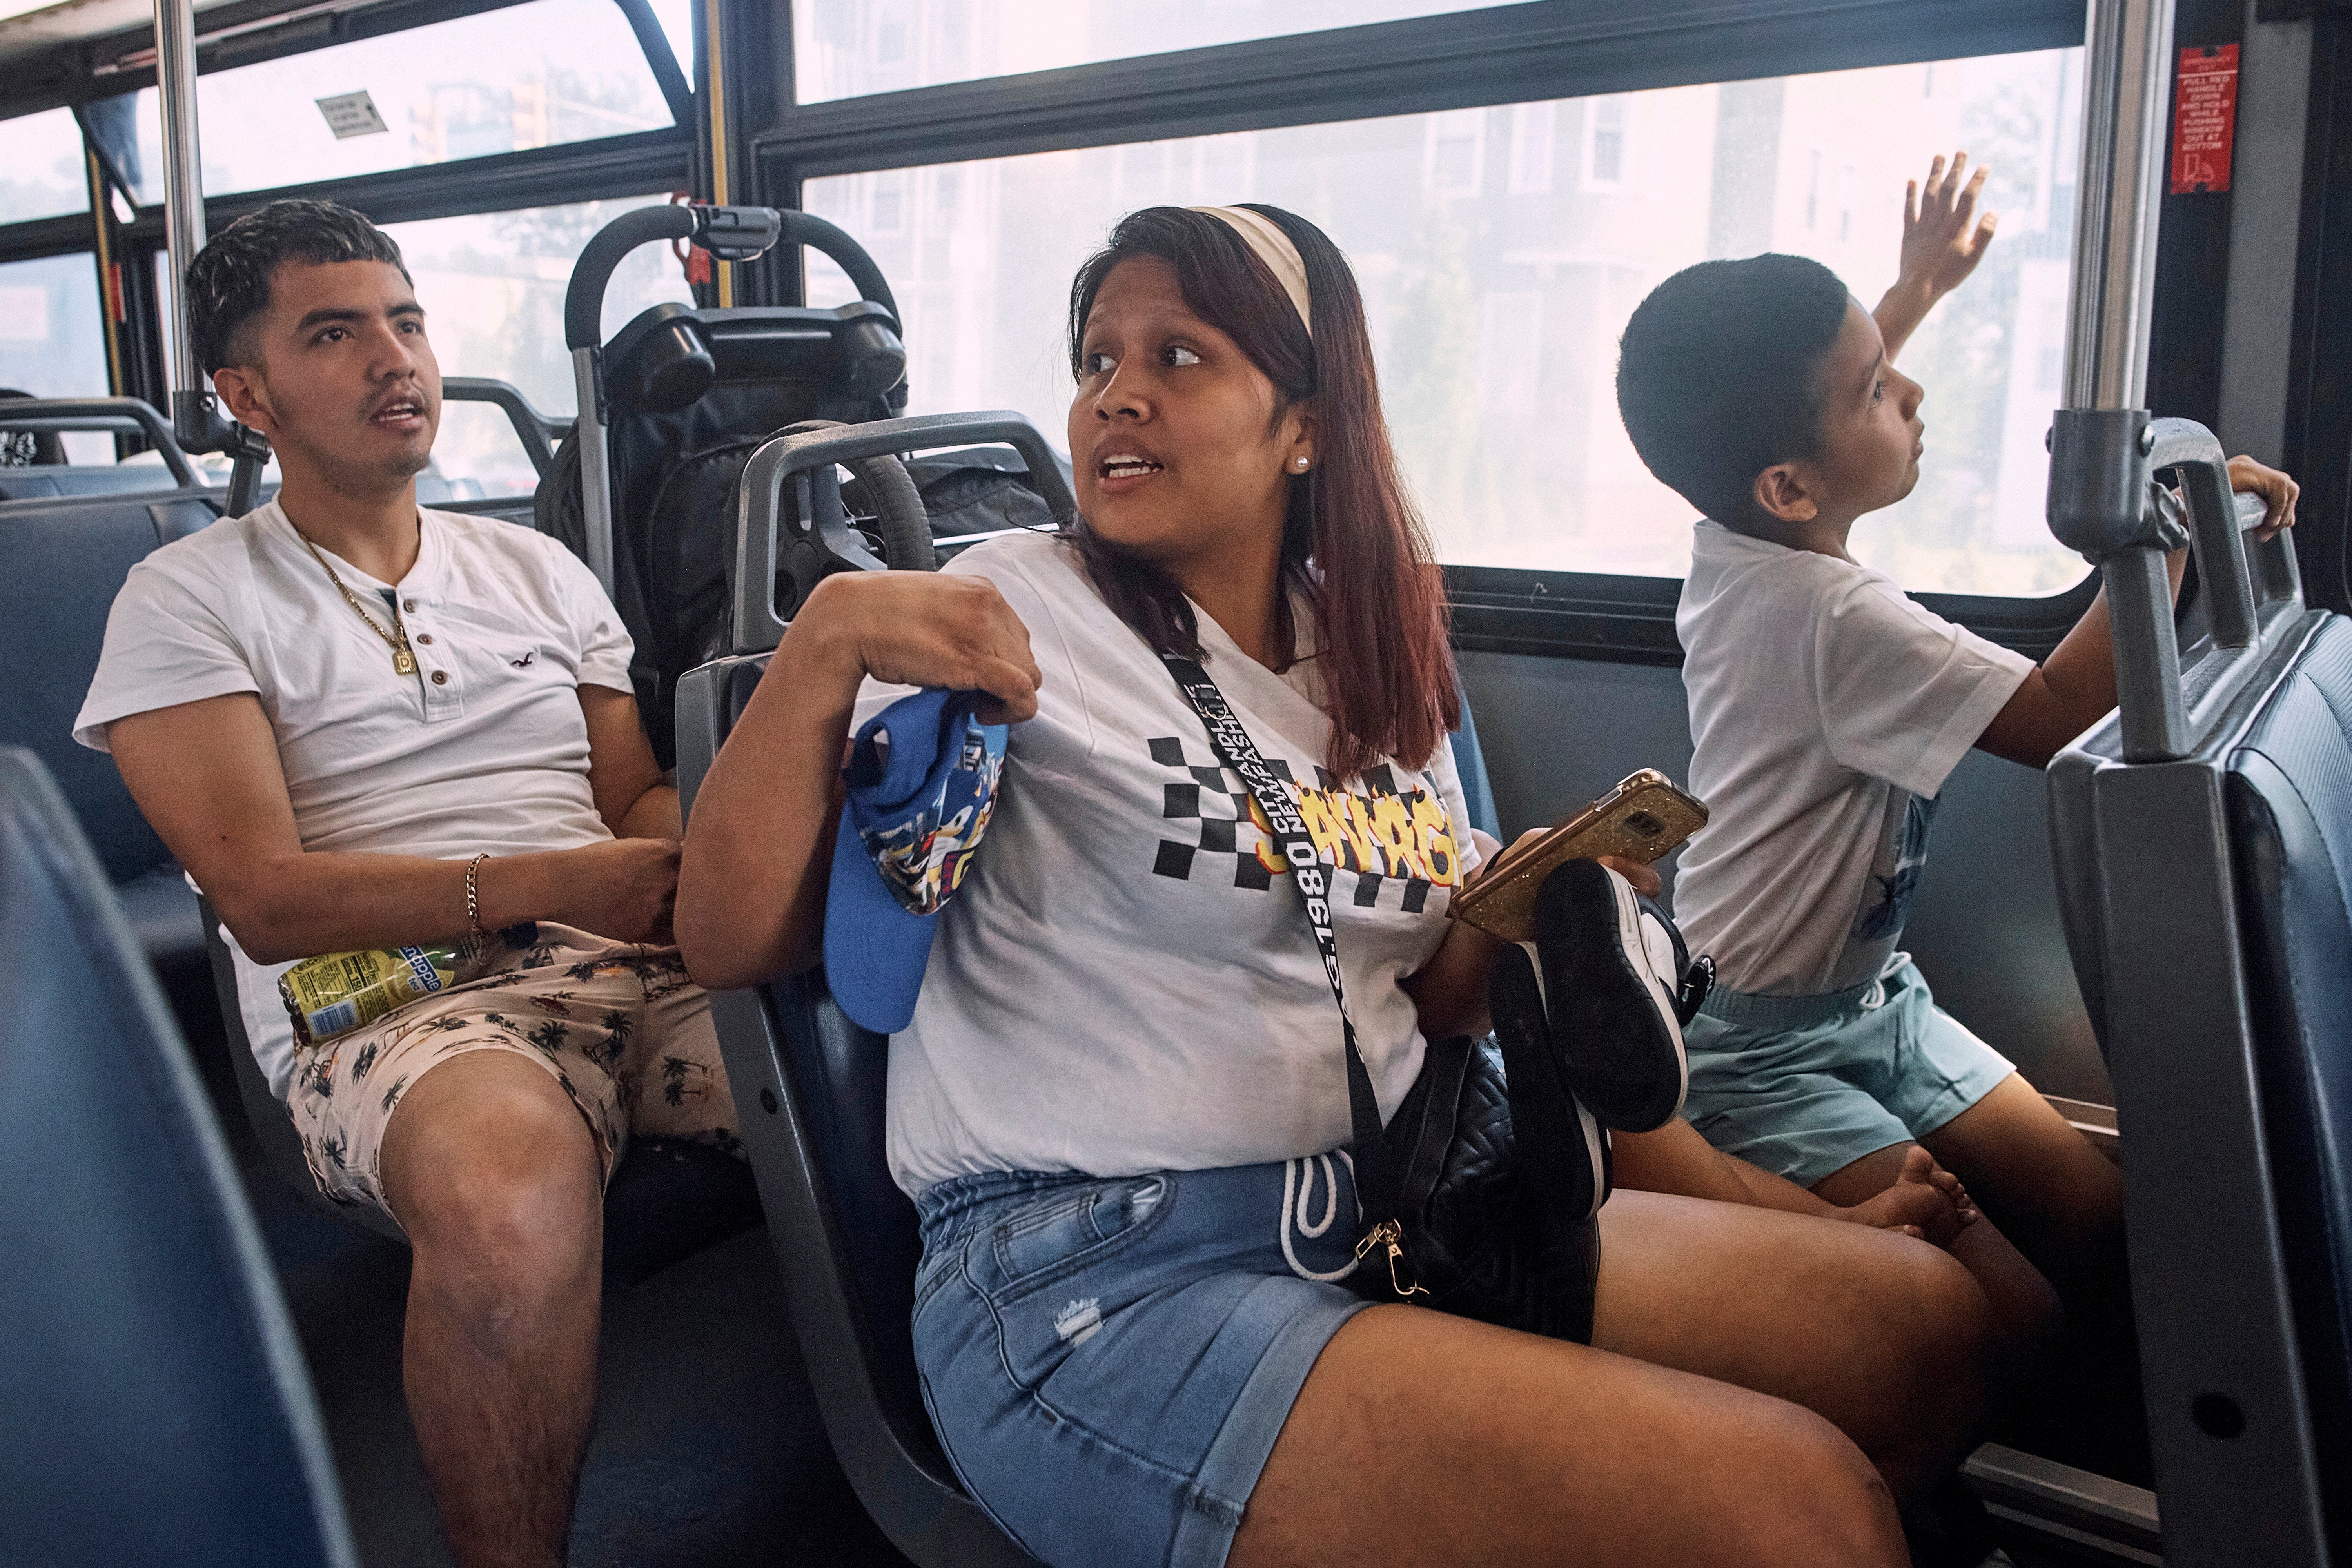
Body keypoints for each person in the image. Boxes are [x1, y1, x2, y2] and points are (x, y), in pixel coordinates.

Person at [681, 201, 2009, 1568]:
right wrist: (826, 645)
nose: (1116, 394)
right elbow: (728, 941)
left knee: (1927, 1331)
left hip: (1406, 1199)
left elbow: (1426, 1002)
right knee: (1800, 1516)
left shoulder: (1366, 653)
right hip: (1109, 1276)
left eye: (1179, 356)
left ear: (1306, 426)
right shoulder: (1008, 609)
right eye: (1096, 361)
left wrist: (1531, 917)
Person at [72, 198, 738, 1568]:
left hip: (630, 958)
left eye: (408, 322)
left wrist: (717, 830)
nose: (397, 359)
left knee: (908, 1068)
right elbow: (265, 898)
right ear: (247, 397)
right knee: (508, 1194)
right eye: (336, 334)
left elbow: (629, 799)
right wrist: (562, 882)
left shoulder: (539, 570)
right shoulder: (188, 598)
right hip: (397, 1004)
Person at [1614, 155, 2300, 1470]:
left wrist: (1913, 291)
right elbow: (2056, 715)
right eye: (1878, 387)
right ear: (1790, 487)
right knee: (2012, 1323)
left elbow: (1798, 428)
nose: (1911, 393)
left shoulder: (1748, 542)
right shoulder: (1833, 617)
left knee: (2097, 1219)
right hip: (1756, 1046)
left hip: (1875, 1001)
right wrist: (2160, 529)